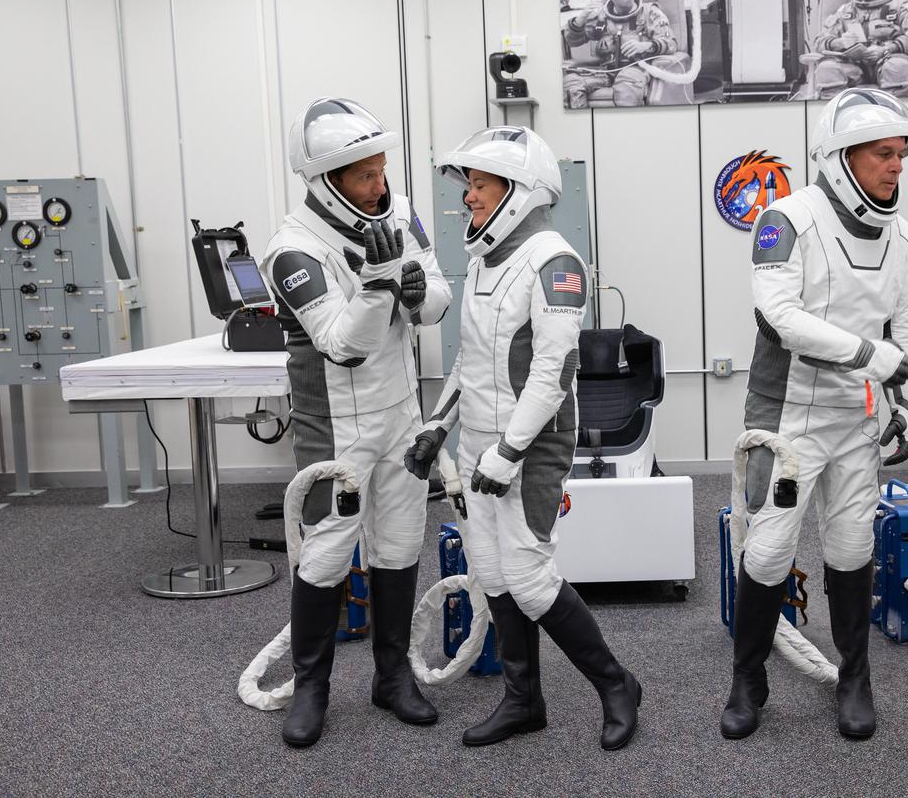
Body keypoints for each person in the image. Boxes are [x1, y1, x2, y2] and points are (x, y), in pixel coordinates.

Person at [406, 126, 642, 751]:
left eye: (479, 187)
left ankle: (617, 685)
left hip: (530, 447)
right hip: (479, 445)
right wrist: (438, 424)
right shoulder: (485, 259)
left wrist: (509, 452)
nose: (469, 200)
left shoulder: (556, 263)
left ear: (518, 191)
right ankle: (523, 700)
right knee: (493, 574)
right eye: (469, 188)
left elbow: (552, 373)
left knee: (532, 577)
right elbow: (470, 359)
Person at [721, 88, 908, 741]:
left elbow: (903, 324)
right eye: (883, 153)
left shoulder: (901, 232)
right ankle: (747, 679)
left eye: (901, 154)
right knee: (771, 549)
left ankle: (855, 678)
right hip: (789, 416)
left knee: (851, 545)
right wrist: (875, 359)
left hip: (858, 415)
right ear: (841, 158)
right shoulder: (785, 218)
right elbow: (779, 318)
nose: (896, 166)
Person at [261, 97, 450, 748]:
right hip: (335, 430)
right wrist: (378, 284)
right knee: (324, 557)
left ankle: (392, 676)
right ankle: (312, 686)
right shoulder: (291, 250)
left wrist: (421, 295)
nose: (380, 184)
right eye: (364, 175)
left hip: (399, 416)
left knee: (399, 545)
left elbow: (436, 295)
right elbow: (342, 342)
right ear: (327, 181)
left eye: (380, 168)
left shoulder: (396, 210)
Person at [562, 0, 677, 108]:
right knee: (571, 83)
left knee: (626, 87)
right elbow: (572, 41)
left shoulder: (649, 13)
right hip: (606, 72)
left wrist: (646, 46)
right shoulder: (601, 17)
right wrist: (580, 19)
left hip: (636, 70)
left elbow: (671, 43)